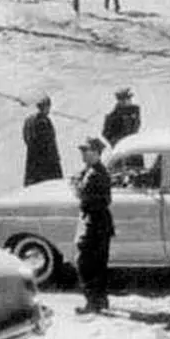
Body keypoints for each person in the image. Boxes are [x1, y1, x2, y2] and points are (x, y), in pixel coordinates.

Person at [73, 137, 115, 314]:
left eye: (86, 151)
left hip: (94, 223)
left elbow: (81, 194)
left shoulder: (95, 174)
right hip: (99, 222)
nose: (83, 154)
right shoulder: (93, 171)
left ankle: (92, 301)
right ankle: (100, 300)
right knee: (98, 263)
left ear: (96, 153)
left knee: (85, 263)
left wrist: (77, 186)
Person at [22, 96, 64, 186]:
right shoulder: (43, 121)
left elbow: (26, 138)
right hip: (46, 162)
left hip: (32, 159)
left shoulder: (29, 120)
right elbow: (48, 142)